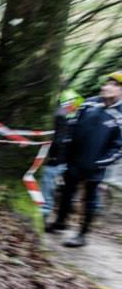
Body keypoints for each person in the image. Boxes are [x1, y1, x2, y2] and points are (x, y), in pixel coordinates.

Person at [46, 72, 122, 247]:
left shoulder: (120, 115)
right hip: (73, 161)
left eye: (113, 85)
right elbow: (70, 122)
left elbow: (118, 147)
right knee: (66, 192)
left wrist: (99, 163)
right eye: (106, 83)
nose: (106, 87)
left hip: (95, 167)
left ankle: (82, 234)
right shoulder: (89, 102)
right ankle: (60, 223)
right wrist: (64, 148)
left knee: (90, 199)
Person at [40, 89, 84, 217]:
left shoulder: (61, 114)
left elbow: (59, 139)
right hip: (64, 159)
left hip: (56, 160)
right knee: (52, 188)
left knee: (48, 189)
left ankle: (45, 214)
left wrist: (53, 157)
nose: (74, 107)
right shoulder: (70, 114)